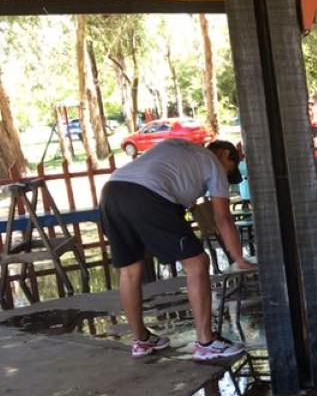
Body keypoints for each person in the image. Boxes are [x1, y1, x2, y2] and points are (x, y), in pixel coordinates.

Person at [99, 139, 255, 360]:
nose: (227, 177)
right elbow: (223, 217)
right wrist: (240, 259)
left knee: (130, 270)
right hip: (148, 194)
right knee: (198, 263)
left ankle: (141, 340)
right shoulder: (214, 164)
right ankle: (206, 342)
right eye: (231, 170)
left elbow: (169, 176)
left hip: (112, 191)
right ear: (225, 155)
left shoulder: (179, 147)